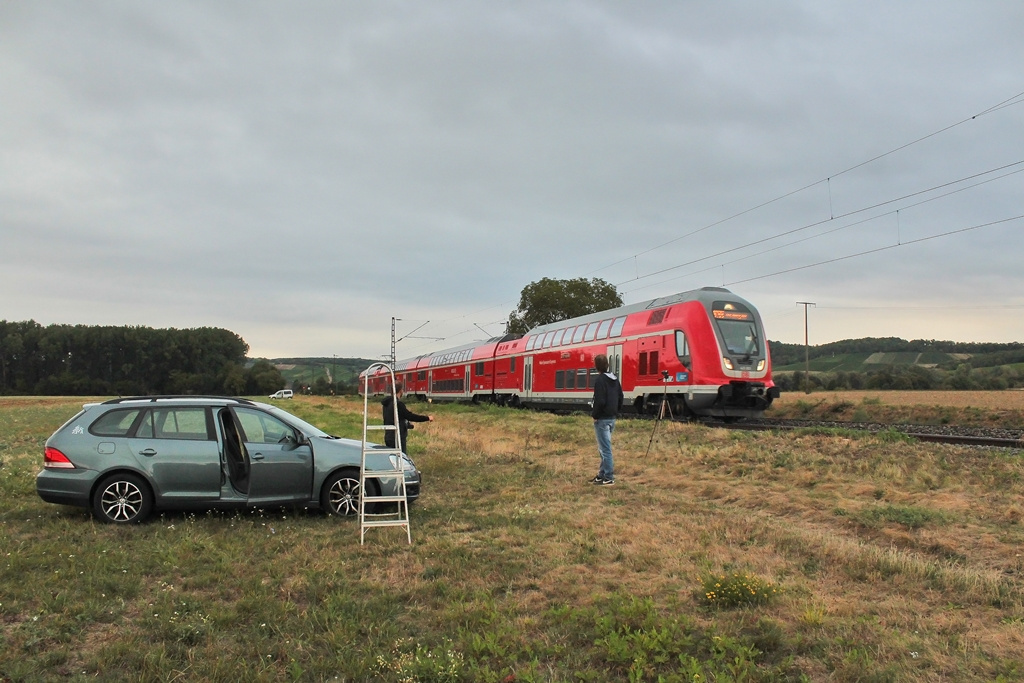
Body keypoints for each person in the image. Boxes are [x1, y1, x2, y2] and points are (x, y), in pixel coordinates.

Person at [590, 353, 623, 485]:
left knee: (605, 449)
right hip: (612, 417)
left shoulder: (600, 380)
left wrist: (595, 415)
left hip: (602, 419)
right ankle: (601, 474)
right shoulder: (614, 379)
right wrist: (616, 410)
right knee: (604, 447)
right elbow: (620, 396)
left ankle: (609, 477)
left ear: (596, 365)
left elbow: (600, 400)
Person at [381, 381, 433, 452]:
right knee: (401, 459)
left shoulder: (386, 404)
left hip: (389, 435)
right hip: (398, 437)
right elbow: (410, 416)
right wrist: (427, 418)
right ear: (400, 391)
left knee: (392, 458)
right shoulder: (398, 404)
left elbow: (394, 418)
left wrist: (406, 424)